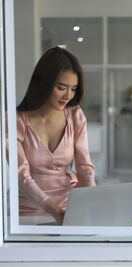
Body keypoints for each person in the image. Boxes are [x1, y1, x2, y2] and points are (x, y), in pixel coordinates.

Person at [16, 47, 96, 224]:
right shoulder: (16, 120)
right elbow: (21, 175)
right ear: (44, 83)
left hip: (69, 208)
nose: (68, 95)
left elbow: (85, 169)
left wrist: (94, 205)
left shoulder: (75, 115)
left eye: (73, 89)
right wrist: (56, 212)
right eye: (61, 87)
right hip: (29, 213)